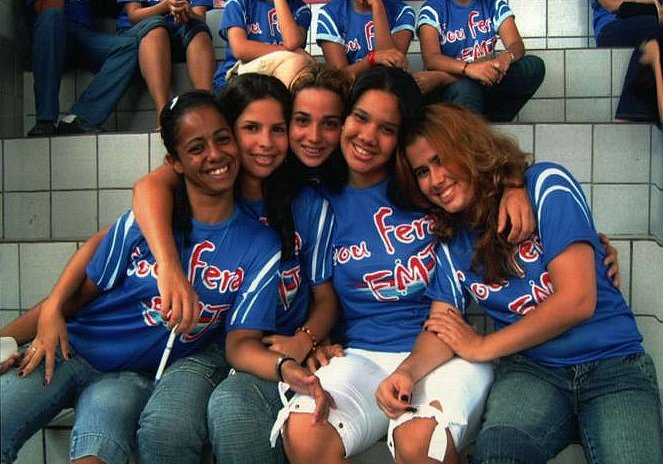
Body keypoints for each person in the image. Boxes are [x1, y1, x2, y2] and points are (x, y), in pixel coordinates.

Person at [0, 90, 286, 464]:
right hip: (69, 350)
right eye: (197, 148)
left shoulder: (257, 244)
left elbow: (239, 341)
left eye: (222, 139)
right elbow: (82, 292)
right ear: (175, 163)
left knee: (94, 456)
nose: (215, 154)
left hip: (129, 378)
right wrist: (10, 336)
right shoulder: (150, 222)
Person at [274, 66, 531, 464]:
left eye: (387, 128)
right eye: (360, 118)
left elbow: (488, 167)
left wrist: (516, 183)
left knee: (421, 444)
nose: (367, 136)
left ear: (402, 136)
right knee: (306, 431)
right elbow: (320, 295)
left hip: (444, 353)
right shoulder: (318, 200)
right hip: (362, 356)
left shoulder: (429, 189)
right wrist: (311, 338)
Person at [397, 103, 663, 463]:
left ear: (468, 148)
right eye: (422, 172)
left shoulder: (545, 185)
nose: (435, 179)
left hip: (613, 363)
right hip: (532, 371)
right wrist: (406, 373)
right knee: (498, 454)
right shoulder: (450, 241)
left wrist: (484, 346)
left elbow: (578, 300)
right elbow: (441, 326)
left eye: (441, 160)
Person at [131, 73, 337, 463]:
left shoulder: (309, 205)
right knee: (166, 426)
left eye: (278, 129)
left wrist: (304, 339)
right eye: (250, 128)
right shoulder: (207, 187)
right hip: (207, 346)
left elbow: (326, 300)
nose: (266, 142)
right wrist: (169, 266)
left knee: (233, 410)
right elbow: (146, 188)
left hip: (276, 348)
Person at [417, 0, 545, 121]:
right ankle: (473, 130)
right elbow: (431, 58)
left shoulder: (493, 4)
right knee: (465, 88)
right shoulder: (433, 8)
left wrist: (506, 57)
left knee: (534, 66)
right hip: (455, 89)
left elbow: (516, 45)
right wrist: (470, 69)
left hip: (488, 77)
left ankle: (493, 119)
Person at [25, 0, 139, 136]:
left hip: (84, 36)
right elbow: (47, 7)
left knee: (130, 46)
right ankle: (45, 120)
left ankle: (80, 117)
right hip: (53, 34)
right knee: (52, 16)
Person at [116, 0, 217, 125]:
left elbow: (200, 17)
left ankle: (208, 108)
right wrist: (165, 6)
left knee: (199, 31)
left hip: (180, 31)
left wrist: (187, 12)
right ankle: (163, 115)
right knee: (156, 27)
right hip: (140, 33)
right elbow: (134, 16)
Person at [213, 0, 314, 93]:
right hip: (237, 75)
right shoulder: (239, 3)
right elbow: (240, 50)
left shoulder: (300, 9)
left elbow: (292, 42)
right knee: (296, 60)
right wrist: (287, 51)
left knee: (299, 64)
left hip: (277, 75)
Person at [591, 0, 662, 124]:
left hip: (652, 23)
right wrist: (652, 5)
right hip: (612, 26)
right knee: (654, 27)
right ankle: (631, 112)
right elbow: (610, 4)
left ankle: (629, 113)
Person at [315, 0, 415, 80]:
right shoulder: (330, 13)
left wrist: (377, 5)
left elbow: (391, 69)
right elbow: (339, 79)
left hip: (387, 91)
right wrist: (371, 60)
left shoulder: (402, 11)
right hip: (350, 93)